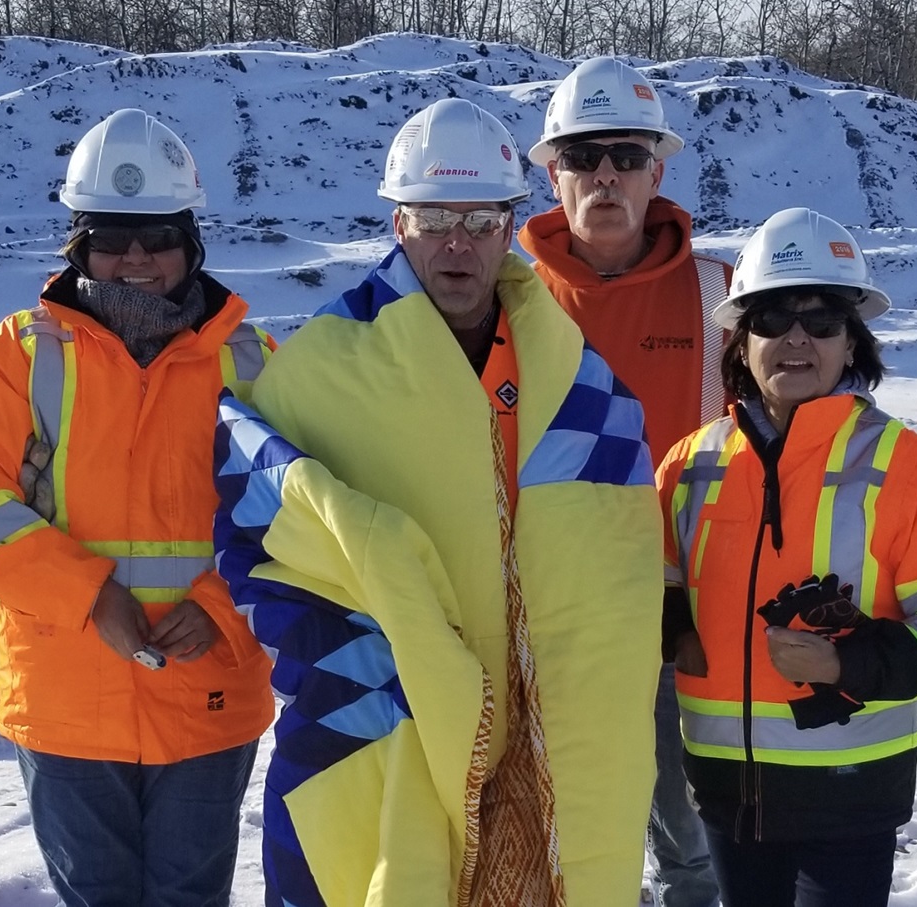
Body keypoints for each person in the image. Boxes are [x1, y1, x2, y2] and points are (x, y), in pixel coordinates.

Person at [212, 97, 664, 906]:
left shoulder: (572, 373)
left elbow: (613, 546)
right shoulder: (328, 363)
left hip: (543, 715)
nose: (458, 243)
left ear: (509, 226)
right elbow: (266, 521)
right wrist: (367, 641)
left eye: (483, 220)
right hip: (389, 703)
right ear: (398, 224)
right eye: (433, 218)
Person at [0, 108, 275, 907]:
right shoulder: (14, 356)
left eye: (157, 235)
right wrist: (89, 595)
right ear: (79, 245)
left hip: (208, 693)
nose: (137, 258)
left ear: (191, 243)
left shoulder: (253, 363)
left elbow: (297, 512)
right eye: (114, 236)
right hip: (67, 699)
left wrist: (220, 604)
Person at [657, 207, 917, 907]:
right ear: (741, 340)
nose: (795, 340)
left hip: (852, 793)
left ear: (852, 342)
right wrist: (666, 625)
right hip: (726, 790)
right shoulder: (688, 464)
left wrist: (845, 662)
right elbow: (658, 593)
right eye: (772, 319)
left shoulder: (913, 468)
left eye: (821, 321)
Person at [518, 56, 726, 907]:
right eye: (582, 155)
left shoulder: (721, 294)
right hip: (548, 607)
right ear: (555, 173)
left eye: (626, 155)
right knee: (567, 821)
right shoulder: (508, 293)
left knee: (689, 827)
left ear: (658, 170)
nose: (605, 174)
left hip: (687, 605)